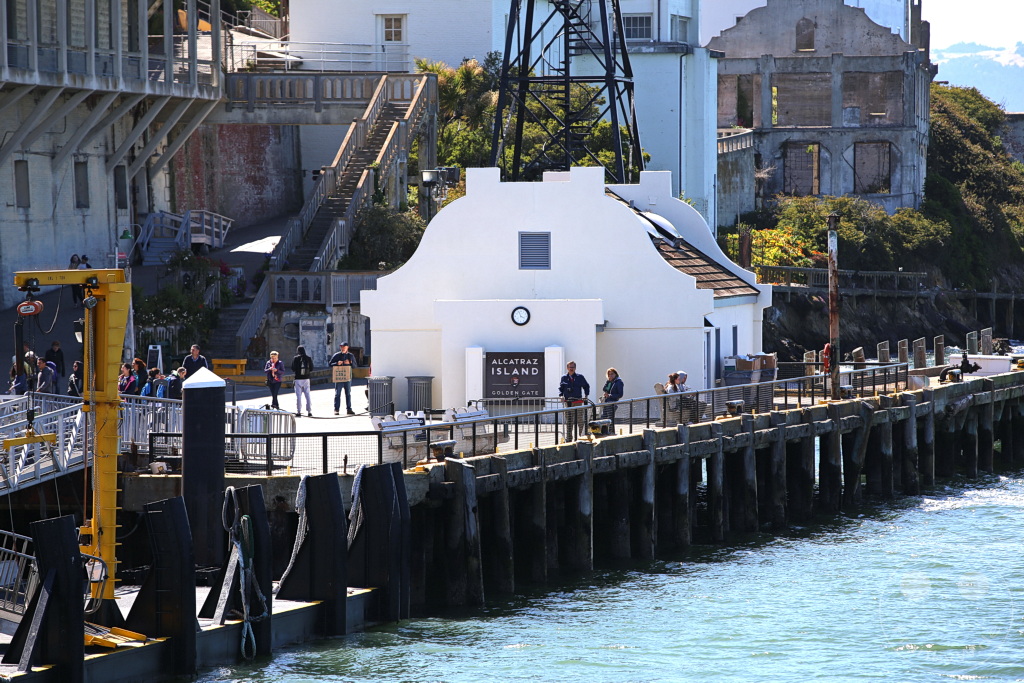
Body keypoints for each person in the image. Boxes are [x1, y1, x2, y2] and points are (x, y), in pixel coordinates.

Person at [558, 361, 590, 440]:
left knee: (580, 420)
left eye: (572, 367)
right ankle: (569, 438)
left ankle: (582, 437)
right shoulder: (564, 377)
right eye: (569, 367)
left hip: (578, 401)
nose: (571, 369)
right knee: (569, 421)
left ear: (575, 368)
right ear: (567, 368)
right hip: (568, 402)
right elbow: (561, 388)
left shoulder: (580, 377)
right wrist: (561, 396)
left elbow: (586, 386)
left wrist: (586, 395)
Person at [329, 342, 356, 415]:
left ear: (347, 347)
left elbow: (354, 366)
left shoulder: (350, 355)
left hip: (347, 377)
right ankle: (336, 409)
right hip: (339, 377)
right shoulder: (337, 355)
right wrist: (337, 363)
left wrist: (349, 362)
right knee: (337, 394)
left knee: (348, 394)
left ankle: (349, 409)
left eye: (344, 347)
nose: (343, 348)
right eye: (341, 347)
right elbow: (330, 364)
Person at [291, 345, 313, 417]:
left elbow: (293, 368)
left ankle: (299, 411)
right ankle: (309, 411)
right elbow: (311, 368)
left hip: (298, 379)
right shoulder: (308, 358)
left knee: (298, 396)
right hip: (306, 378)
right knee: (307, 395)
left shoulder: (296, 358)